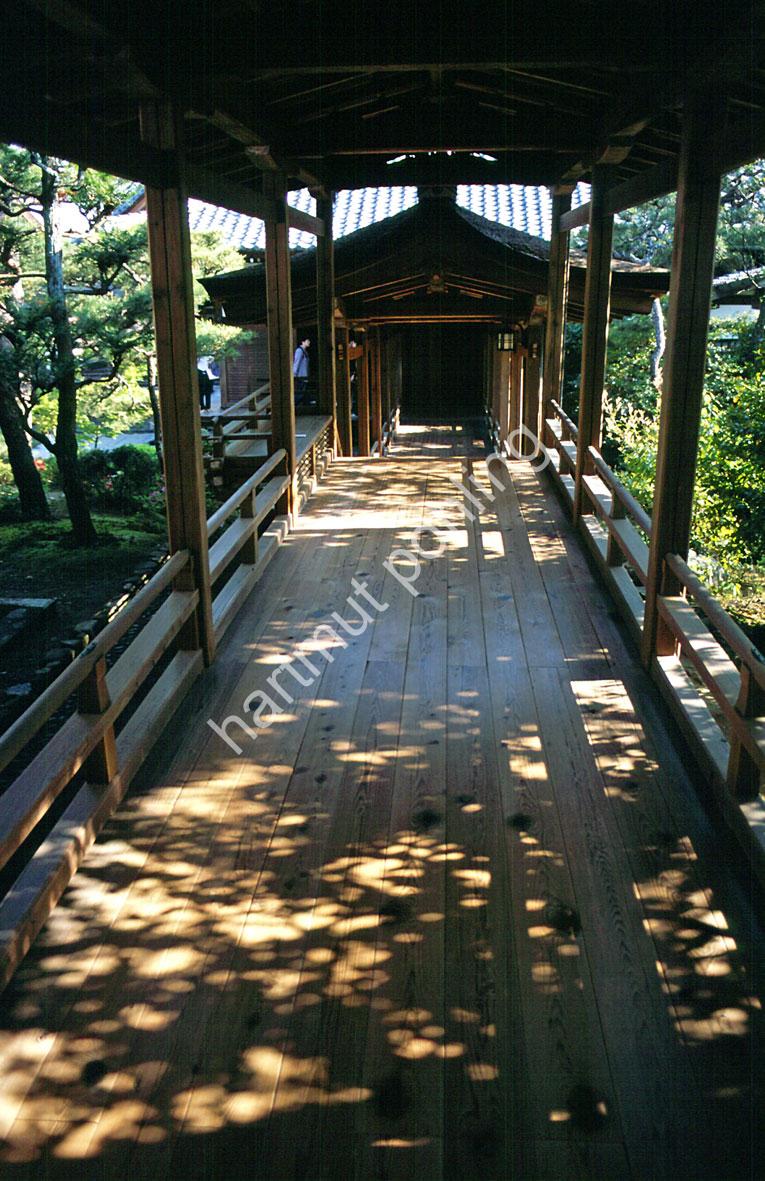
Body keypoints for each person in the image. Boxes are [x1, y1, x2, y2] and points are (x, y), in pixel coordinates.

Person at [293, 337, 310, 406]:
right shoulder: (299, 351)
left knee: (303, 392)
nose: (309, 342)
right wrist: (294, 374)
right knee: (300, 392)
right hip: (301, 376)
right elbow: (296, 363)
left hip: (304, 375)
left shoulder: (305, 352)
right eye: (307, 341)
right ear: (302, 342)